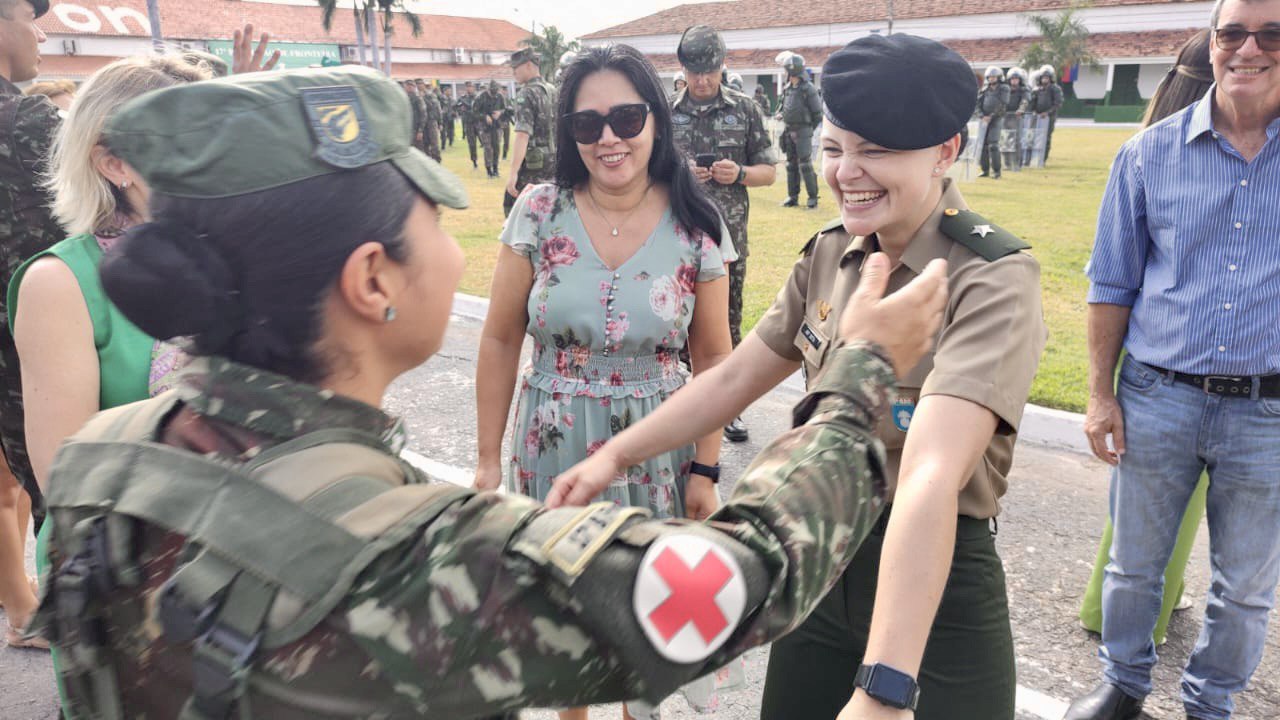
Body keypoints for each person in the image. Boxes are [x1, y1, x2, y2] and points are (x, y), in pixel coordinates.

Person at [27, 63, 951, 720]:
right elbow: (746, 579)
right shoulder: (420, 556)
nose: (454, 241)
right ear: (372, 281)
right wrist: (863, 374)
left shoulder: (100, 461)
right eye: (429, 215)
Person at [550, 34, 1047, 720]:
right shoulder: (831, 255)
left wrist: (886, 687)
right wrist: (616, 455)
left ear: (946, 150)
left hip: (936, 583)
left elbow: (931, 474)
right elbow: (733, 382)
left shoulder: (989, 277)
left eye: (877, 150)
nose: (847, 172)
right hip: (818, 553)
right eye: (837, 147)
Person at [476, 42, 744, 720]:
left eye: (625, 117)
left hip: (660, 447)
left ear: (655, 117)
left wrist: (706, 471)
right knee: (565, 630)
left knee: (641, 630)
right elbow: (502, 335)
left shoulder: (697, 221)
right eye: (587, 123)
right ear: (569, 132)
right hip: (552, 446)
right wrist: (485, 461)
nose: (609, 138)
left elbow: (715, 359)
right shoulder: (538, 210)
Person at [1067, 1, 1280, 717]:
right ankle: (1122, 687)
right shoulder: (1148, 155)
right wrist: (1101, 394)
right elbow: (1111, 283)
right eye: (1233, 33)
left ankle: (1210, 704)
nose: (1249, 49)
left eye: (1272, 35)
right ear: (1211, 44)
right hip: (1160, 395)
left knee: (1245, 587)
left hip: (1269, 410)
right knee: (1133, 568)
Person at [10, 55, 209, 678]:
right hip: (127, 582)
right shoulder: (61, 280)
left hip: (248, 571)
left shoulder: (235, 254)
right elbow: (68, 477)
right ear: (113, 162)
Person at [1076, 27, 1215, 648]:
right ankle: (1147, 612)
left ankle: (1105, 609)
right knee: (1181, 502)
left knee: (1136, 501)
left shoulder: (1146, 143)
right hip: (1203, 352)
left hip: (1148, 347)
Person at [670, 24, 777, 444]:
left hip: (727, 240)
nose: (702, 80)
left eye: (710, 71)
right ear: (683, 68)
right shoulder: (665, 110)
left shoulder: (745, 110)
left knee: (726, 326)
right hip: (676, 237)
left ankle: (724, 410)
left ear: (721, 65)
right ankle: (676, 404)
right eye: (694, 71)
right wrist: (679, 174)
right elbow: (644, 171)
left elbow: (769, 171)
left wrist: (742, 173)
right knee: (674, 320)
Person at [0, 0, 61, 652]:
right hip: (39, 355)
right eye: (26, 13)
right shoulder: (28, 120)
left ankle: (26, 611)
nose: (38, 31)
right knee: (71, 503)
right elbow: (125, 209)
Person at [503, 48, 556, 217]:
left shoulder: (526, 94)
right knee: (548, 209)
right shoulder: (552, 90)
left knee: (516, 211)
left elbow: (522, 135)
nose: (514, 73)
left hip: (534, 165)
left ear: (528, 65)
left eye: (515, 68)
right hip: (554, 161)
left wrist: (513, 174)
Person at [777, 52, 821, 208]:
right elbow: (782, 107)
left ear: (792, 70)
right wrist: (781, 115)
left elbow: (817, 114)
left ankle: (812, 198)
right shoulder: (787, 88)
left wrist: (807, 130)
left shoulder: (808, 89)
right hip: (789, 131)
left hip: (803, 131)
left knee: (805, 165)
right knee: (790, 165)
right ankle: (792, 196)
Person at [977, 65, 1008, 178]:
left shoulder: (1004, 88)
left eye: (994, 77)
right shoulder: (984, 89)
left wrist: (991, 116)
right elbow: (978, 104)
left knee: (993, 145)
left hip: (997, 119)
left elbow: (1003, 104)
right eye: (990, 77)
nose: (991, 79)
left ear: (999, 77)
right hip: (984, 120)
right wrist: (982, 115)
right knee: (983, 145)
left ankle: (997, 172)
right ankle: (985, 170)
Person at [1030, 64, 1064, 163]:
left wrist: (1047, 113)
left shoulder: (1055, 89)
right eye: (1043, 77)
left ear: (1050, 78)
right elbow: (1032, 102)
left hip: (1049, 117)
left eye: (1047, 77)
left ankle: (1042, 158)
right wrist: (1033, 112)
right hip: (1036, 116)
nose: (1045, 79)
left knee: (1046, 137)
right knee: (1033, 136)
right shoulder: (1036, 89)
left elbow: (1058, 103)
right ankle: (1032, 157)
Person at [1000, 67, 1031, 171]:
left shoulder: (1024, 90)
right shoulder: (1005, 89)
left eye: (1016, 79)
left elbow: (1025, 101)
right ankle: (1007, 164)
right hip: (1005, 116)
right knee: (1005, 140)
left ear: (1020, 80)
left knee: (1016, 141)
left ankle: (1017, 163)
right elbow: (1000, 101)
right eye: (1012, 79)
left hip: (1016, 117)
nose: (1014, 81)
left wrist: (1021, 110)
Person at [474, 80, 504, 177]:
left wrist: (500, 113)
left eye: (495, 91)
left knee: (496, 148)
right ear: (488, 89)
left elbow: (506, 109)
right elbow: (474, 112)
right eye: (492, 92)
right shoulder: (480, 97)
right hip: (485, 127)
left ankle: (495, 168)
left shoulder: (500, 97)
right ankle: (489, 170)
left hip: (497, 126)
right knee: (488, 148)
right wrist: (484, 116)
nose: (494, 94)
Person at [416, 79, 443, 162]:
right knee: (424, 145)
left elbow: (436, 108)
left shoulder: (430, 95)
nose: (419, 86)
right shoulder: (415, 96)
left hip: (431, 122)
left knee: (434, 144)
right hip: (421, 124)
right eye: (418, 84)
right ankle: (429, 163)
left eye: (421, 84)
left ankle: (437, 161)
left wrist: (440, 122)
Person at [458, 80, 479, 168]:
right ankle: (474, 161)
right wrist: (461, 110)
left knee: (486, 143)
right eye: (467, 87)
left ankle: (490, 162)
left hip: (478, 123)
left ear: (473, 88)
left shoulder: (478, 97)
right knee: (472, 144)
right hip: (469, 123)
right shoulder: (462, 98)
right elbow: (457, 108)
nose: (469, 88)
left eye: (470, 87)